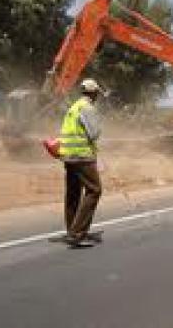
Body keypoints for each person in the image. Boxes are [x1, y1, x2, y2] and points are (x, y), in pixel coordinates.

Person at [57, 78, 103, 247]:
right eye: (97, 93)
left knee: (73, 193)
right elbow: (94, 133)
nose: (97, 95)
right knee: (94, 190)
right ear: (93, 93)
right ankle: (77, 233)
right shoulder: (87, 108)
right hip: (82, 156)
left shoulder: (73, 107)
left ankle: (71, 230)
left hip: (68, 156)